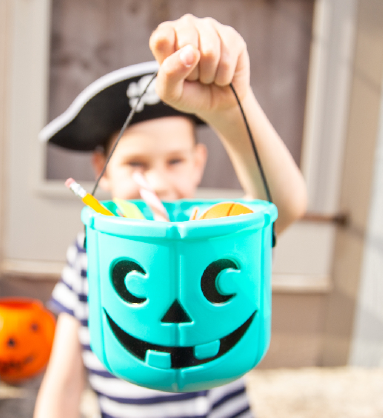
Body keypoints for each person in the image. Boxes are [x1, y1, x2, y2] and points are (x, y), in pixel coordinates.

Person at [34, 14, 308, 418]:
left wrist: (234, 111)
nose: (159, 182)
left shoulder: (219, 232)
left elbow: (282, 205)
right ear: (102, 170)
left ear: (199, 163)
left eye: (175, 161)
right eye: (136, 164)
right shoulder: (88, 251)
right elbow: (62, 385)